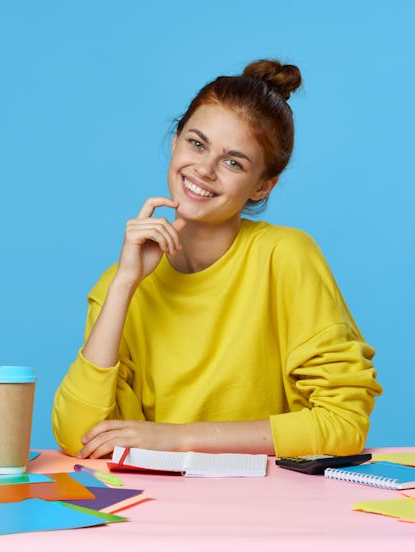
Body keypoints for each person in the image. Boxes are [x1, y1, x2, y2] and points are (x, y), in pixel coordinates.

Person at [52, 59, 382, 460]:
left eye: (233, 162)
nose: (204, 169)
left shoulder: (286, 257)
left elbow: (343, 425)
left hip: (271, 504)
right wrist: (123, 286)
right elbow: (78, 437)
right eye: (196, 143)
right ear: (175, 143)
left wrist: (178, 438)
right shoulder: (124, 281)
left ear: (262, 186)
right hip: (158, 506)